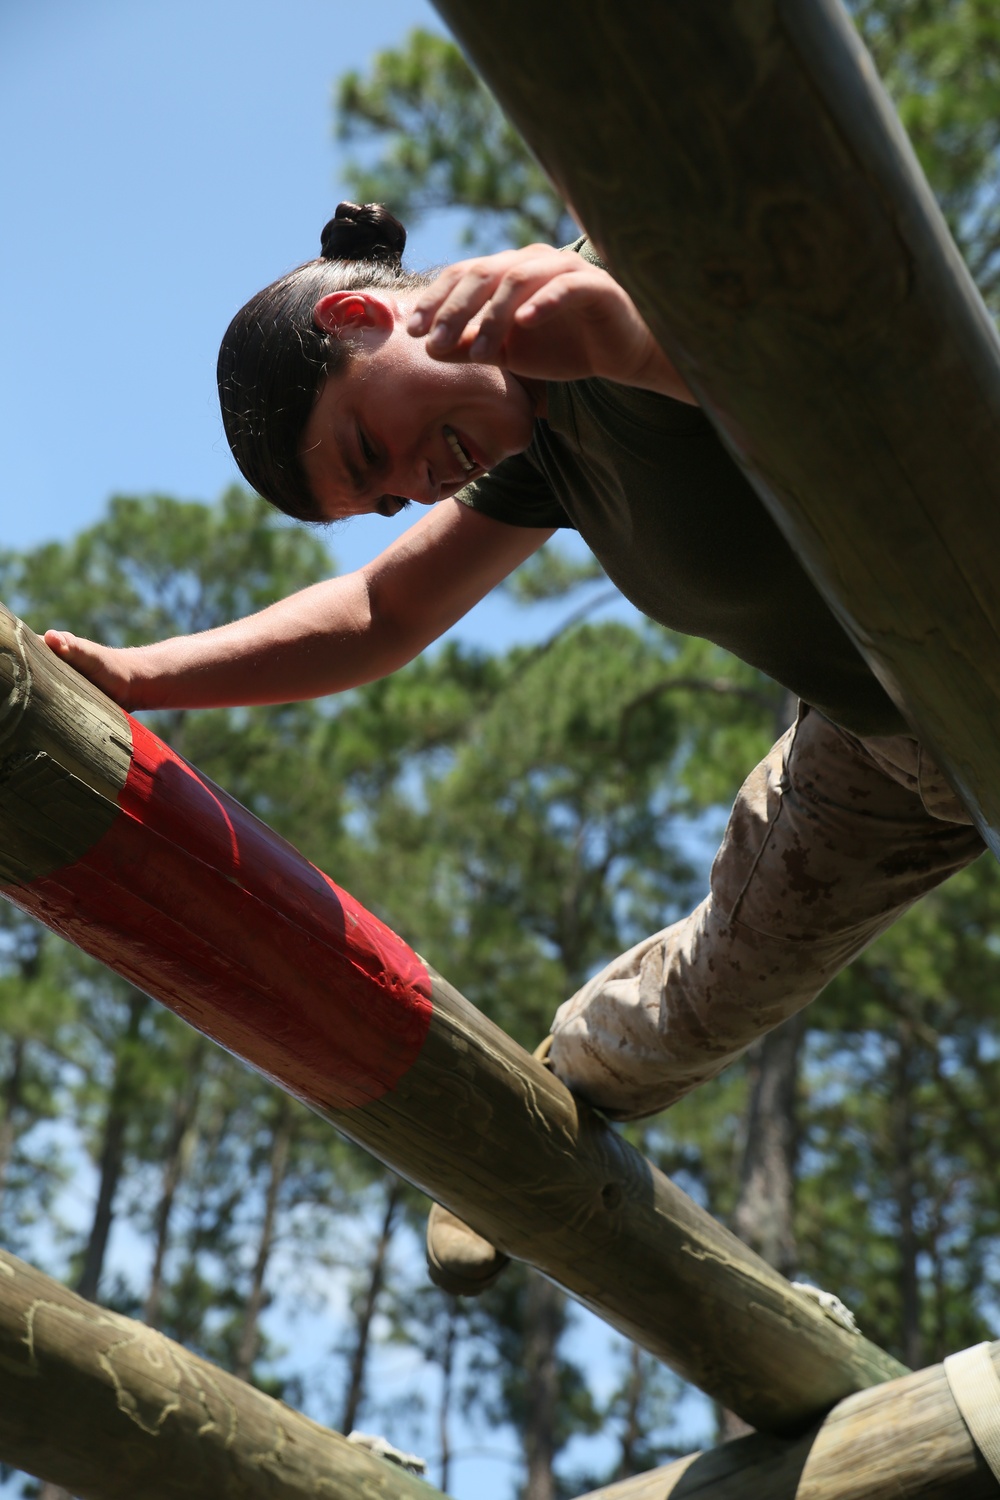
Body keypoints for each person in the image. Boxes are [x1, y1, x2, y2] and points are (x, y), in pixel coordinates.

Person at [45, 202, 985, 1294]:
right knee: (711, 984)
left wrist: (628, 339)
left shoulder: (638, 247)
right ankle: (537, 1118)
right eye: (386, 493)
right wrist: (139, 676)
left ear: (361, 316)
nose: (418, 483)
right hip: (889, 749)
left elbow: (847, 363)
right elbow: (379, 613)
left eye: (368, 447)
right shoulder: (541, 448)